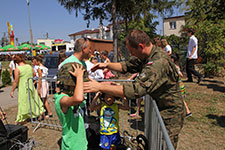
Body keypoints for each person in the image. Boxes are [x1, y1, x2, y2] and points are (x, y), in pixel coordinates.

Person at [84, 29, 185, 149]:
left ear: (141, 46)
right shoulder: (146, 55)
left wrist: (100, 86)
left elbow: (136, 89)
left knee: (164, 146)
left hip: (170, 113)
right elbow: (127, 65)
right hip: (160, 108)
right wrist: (106, 65)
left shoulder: (158, 62)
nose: (131, 55)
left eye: (132, 51)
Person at [55, 64, 88, 150]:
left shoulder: (71, 97)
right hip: (72, 146)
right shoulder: (61, 100)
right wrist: (79, 77)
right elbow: (78, 98)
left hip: (80, 144)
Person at [58, 37, 91, 118]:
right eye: (89, 48)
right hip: (72, 107)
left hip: (81, 104)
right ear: (84, 49)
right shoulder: (68, 64)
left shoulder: (82, 63)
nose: (90, 51)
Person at [10, 55, 45, 125]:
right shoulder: (29, 66)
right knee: (34, 99)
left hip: (23, 87)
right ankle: (39, 112)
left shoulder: (18, 69)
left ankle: (22, 117)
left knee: (23, 102)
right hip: (30, 85)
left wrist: (12, 90)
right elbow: (34, 74)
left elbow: (16, 81)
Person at [171, 53, 192, 117]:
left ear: (173, 59)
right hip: (179, 84)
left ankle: (187, 111)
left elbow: (181, 75)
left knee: (180, 99)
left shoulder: (174, 67)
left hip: (178, 85)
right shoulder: (175, 66)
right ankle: (186, 111)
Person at [36, 55, 53, 119]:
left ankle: (48, 112)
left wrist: (38, 87)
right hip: (45, 82)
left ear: (38, 61)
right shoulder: (45, 68)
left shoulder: (39, 68)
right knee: (45, 99)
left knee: (43, 99)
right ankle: (47, 111)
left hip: (42, 83)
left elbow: (40, 78)